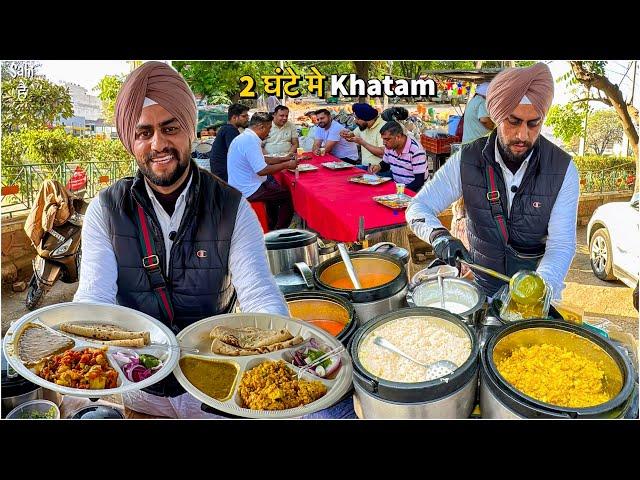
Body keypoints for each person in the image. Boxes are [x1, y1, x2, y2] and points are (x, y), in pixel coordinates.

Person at [72, 62, 289, 418]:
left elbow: (259, 294)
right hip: (138, 386)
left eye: (169, 128)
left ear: (189, 131)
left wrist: (280, 355)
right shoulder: (106, 209)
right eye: (143, 133)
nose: (158, 144)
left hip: (212, 390)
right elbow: (95, 299)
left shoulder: (233, 208)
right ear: (131, 141)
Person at [406, 63, 580, 300]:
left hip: (536, 297)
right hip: (481, 292)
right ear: (497, 117)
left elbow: (561, 245)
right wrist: (439, 236)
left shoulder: (563, 169)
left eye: (533, 124)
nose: (522, 135)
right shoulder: (467, 160)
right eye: (513, 121)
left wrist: (537, 291)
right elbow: (418, 207)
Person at [227, 112, 296, 231]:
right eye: (269, 129)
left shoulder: (245, 137)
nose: (269, 133)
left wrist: (284, 158)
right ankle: (280, 231)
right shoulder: (250, 141)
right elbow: (262, 170)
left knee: (274, 187)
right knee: (286, 196)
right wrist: (287, 164)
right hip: (248, 189)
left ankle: (271, 223)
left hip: (241, 184)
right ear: (261, 127)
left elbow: (261, 159)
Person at [368, 121, 427, 192]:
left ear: (398, 137)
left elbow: (419, 182)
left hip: (416, 191)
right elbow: (385, 164)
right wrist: (378, 167)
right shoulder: (389, 147)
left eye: (387, 139)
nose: (384, 143)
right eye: (383, 139)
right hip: (399, 187)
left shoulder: (416, 150)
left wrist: (399, 192)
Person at [209, 103, 249, 181]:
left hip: (222, 171)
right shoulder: (230, 130)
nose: (247, 118)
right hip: (224, 173)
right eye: (244, 116)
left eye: (247, 116)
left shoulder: (227, 128)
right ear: (234, 117)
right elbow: (237, 153)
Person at [341, 102, 385, 168]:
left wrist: (362, 143)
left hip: (379, 169)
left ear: (366, 118)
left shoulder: (384, 128)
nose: (355, 121)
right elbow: (352, 134)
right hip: (365, 166)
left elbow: (382, 153)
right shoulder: (364, 126)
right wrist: (346, 134)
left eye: (357, 119)